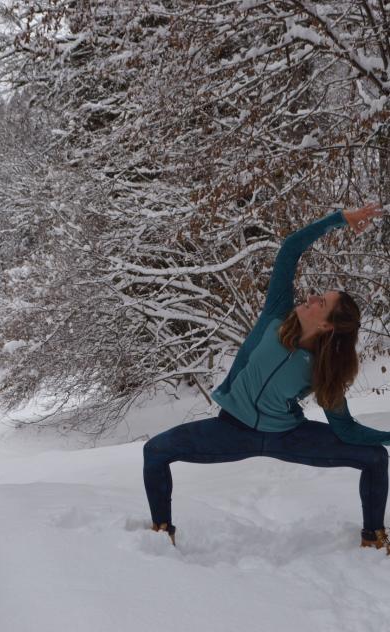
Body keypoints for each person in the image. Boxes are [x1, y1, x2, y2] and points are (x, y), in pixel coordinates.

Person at [143, 202, 390, 552]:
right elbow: (290, 248)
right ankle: (160, 533)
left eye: (320, 300)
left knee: (377, 457)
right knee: (155, 451)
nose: (310, 296)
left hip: (287, 436)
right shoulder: (276, 315)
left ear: (326, 325)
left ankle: (374, 539)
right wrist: (339, 220)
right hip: (231, 430)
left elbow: (346, 430)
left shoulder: (326, 367)